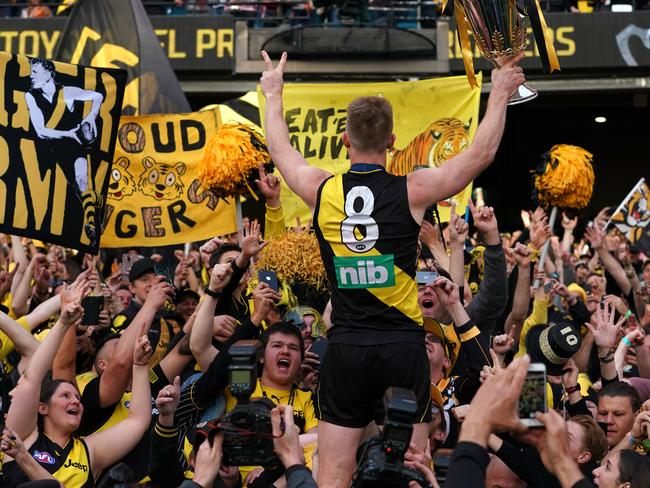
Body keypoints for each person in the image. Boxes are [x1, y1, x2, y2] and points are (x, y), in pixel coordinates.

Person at [259, 49, 526, 487]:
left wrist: (273, 94)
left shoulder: (321, 188)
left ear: (345, 141)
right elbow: (479, 155)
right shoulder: (413, 190)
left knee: (332, 474)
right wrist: (498, 92)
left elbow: (281, 150)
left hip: (345, 348)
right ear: (391, 142)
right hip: (402, 349)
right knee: (414, 468)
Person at [1, 293, 153, 487]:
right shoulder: (24, 436)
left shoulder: (89, 451)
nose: (75, 401)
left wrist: (139, 365)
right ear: (42, 408)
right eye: (65, 395)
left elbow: (138, 421)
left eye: (77, 398)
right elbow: (32, 378)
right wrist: (63, 323)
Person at [24, 58, 104, 243]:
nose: (31, 76)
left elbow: (98, 96)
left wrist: (91, 117)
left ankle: (91, 225)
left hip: (74, 148)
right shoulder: (31, 96)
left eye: (35, 72)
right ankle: (98, 201)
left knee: (82, 181)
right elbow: (41, 132)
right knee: (72, 196)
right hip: (50, 152)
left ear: (48, 73)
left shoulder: (67, 92)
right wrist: (70, 134)